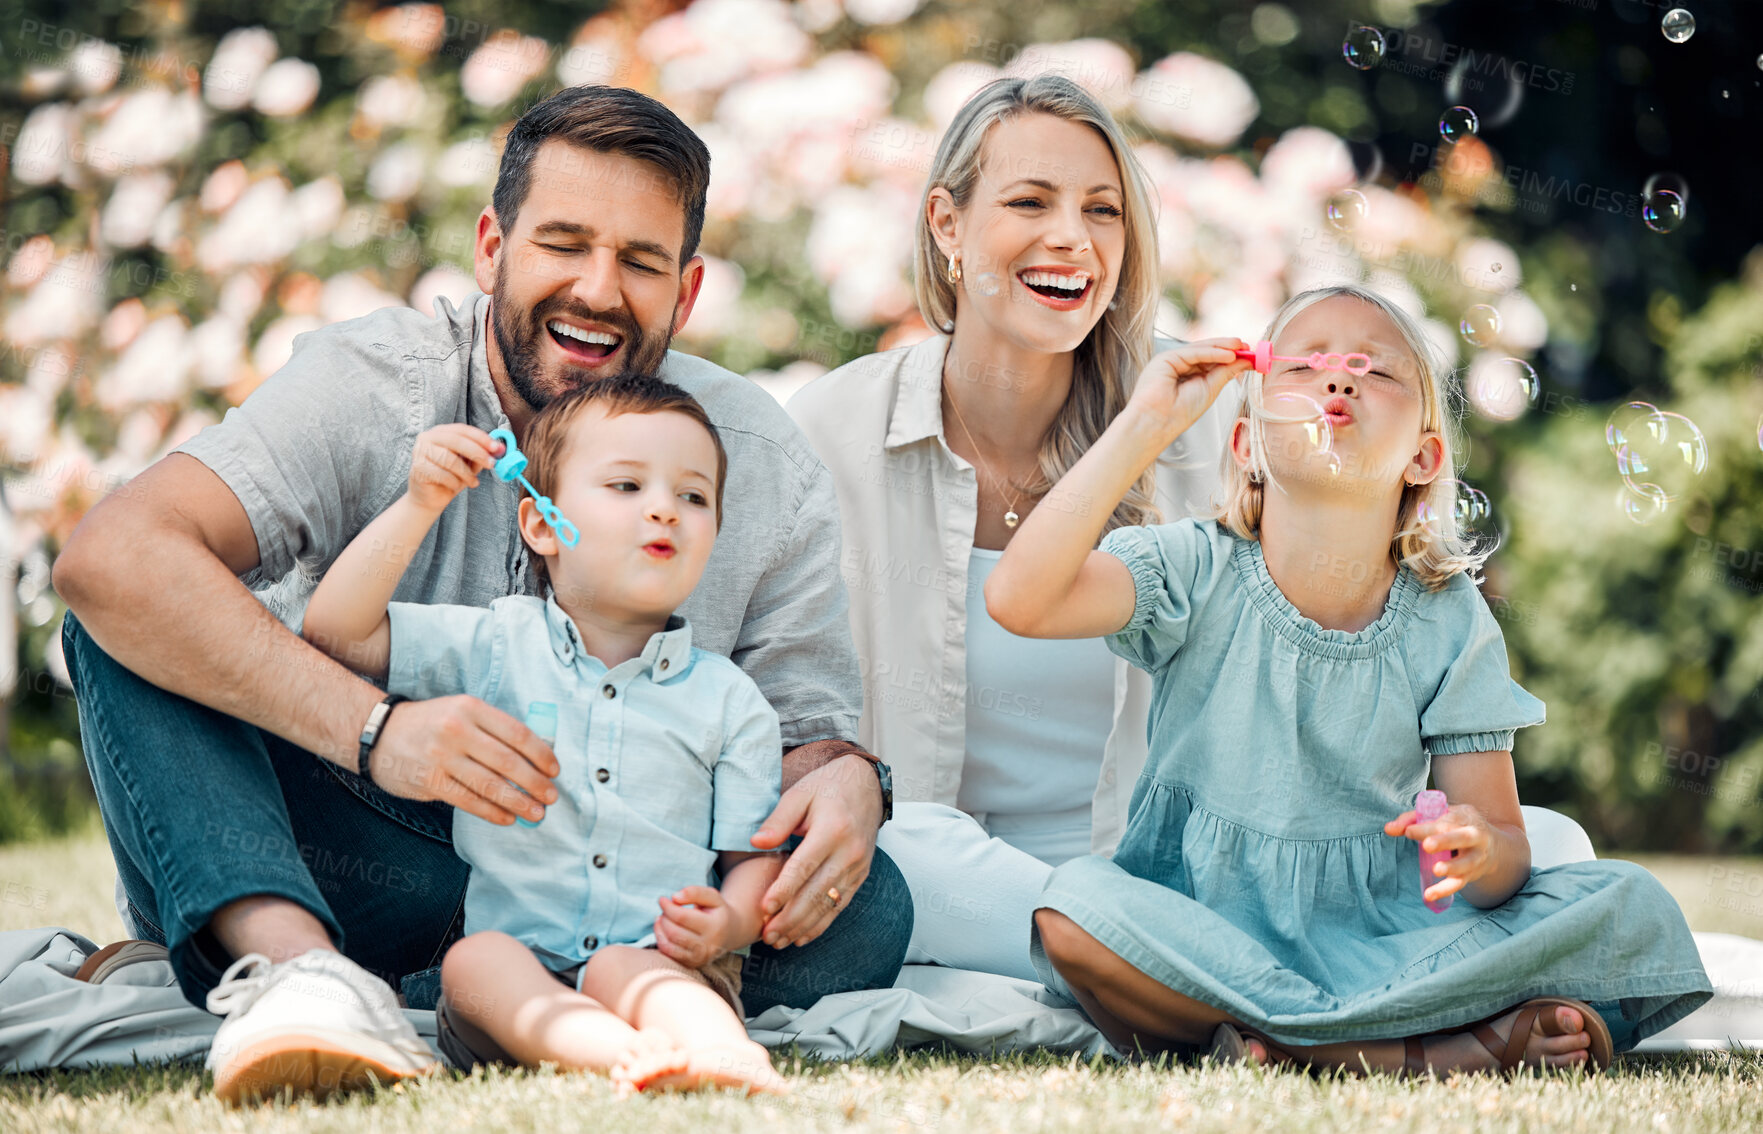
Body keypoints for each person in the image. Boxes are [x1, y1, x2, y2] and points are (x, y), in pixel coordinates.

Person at [51, 85, 907, 1104]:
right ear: (493, 248)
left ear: (684, 294)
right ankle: (295, 969)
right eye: (563, 242)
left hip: (613, 881)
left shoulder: (758, 459)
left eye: (640, 261)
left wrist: (850, 778)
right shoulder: (375, 385)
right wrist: (379, 732)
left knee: (868, 912)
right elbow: (112, 558)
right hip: (351, 843)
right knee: (126, 615)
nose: (597, 288)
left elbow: (802, 735)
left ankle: (409, 989)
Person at [985, 284, 1713, 1073]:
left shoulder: (1447, 618)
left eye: (1374, 371)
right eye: (1304, 365)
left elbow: (1501, 853)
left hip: (1379, 936)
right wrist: (1146, 425)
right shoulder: (1192, 566)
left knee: (1626, 901)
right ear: (1246, 445)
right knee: (1073, 909)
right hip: (1202, 928)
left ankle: (1288, 1041)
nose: (1339, 381)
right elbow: (1019, 599)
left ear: (1423, 459)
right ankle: (1416, 1053)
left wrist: (1478, 853)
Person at [786, 75, 1229, 983]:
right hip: (949, 882)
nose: (1072, 236)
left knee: (1545, 838)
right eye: (1030, 200)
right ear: (946, 224)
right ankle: (1185, 978)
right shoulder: (833, 431)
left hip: (1168, 873)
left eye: (1101, 211)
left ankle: (1149, 966)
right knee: (902, 840)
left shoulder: (1205, 427)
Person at [301, 375, 787, 1095]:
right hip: (514, 985)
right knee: (474, 963)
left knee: (632, 969)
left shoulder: (731, 702)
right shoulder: (497, 644)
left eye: (693, 496)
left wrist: (731, 920)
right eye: (626, 486)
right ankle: (616, 1055)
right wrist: (420, 503)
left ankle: (720, 1052)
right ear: (540, 524)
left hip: (658, 964)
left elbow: (751, 854)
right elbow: (336, 631)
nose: (665, 509)